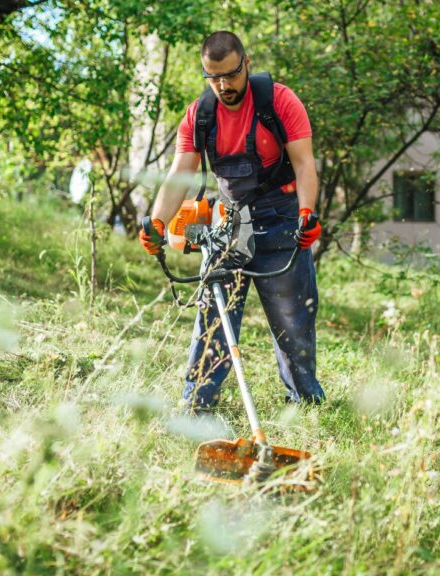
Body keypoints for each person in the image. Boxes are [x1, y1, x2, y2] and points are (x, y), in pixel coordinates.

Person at [140, 31, 325, 412]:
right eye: (213, 77)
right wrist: (158, 222)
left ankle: (305, 404)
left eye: (230, 75)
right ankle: (196, 407)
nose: (223, 85)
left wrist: (308, 213)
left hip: (281, 219)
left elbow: (305, 163)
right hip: (229, 223)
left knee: (293, 320)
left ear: (246, 65)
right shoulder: (200, 115)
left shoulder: (280, 102)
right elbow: (180, 174)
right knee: (214, 315)